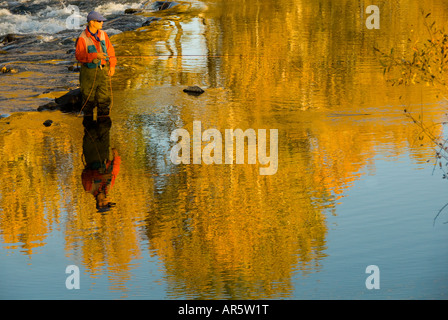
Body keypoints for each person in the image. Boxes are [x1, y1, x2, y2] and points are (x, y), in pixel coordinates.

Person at [75, 11, 117, 117]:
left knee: (104, 99)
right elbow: (79, 56)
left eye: (102, 21)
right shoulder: (82, 38)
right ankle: (89, 126)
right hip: (88, 73)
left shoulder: (103, 34)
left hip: (102, 71)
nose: (102, 23)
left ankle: (103, 126)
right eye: (100, 21)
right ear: (92, 22)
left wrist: (112, 65)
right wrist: (95, 56)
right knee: (88, 100)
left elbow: (110, 50)